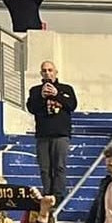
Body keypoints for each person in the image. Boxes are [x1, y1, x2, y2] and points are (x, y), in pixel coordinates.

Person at [26, 61, 77, 203]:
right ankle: (47, 194)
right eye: (44, 70)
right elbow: (31, 108)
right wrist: (42, 97)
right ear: (41, 73)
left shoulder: (66, 89)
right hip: (43, 134)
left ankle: (58, 196)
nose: (47, 73)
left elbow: (72, 105)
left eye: (50, 70)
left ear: (55, 72)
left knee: (59, 166)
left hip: (61, 134)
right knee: (44, 167)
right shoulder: (35, 91)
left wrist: (57, 94)